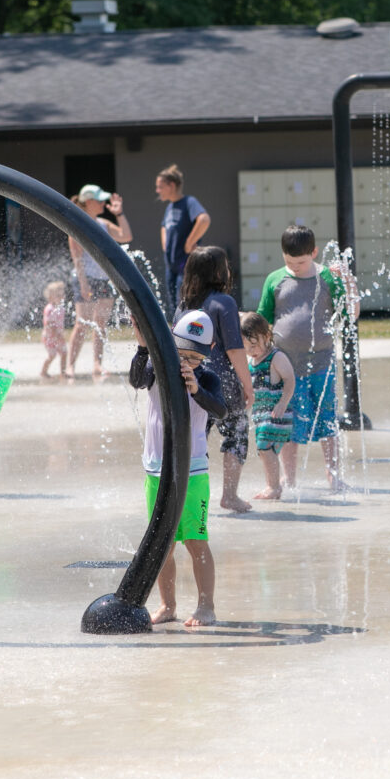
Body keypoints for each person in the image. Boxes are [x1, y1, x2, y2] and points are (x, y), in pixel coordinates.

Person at [129, 308, 227, 627]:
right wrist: (144, 347)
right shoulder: (157, 370)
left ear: (208, 352)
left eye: (194, 358)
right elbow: (136, 379)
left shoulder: (207, 378)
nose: (186, 362)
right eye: (181, 353)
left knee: (196, 540)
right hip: (156, 471)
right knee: (162, 545)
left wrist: (196, 387)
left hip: (193, 472)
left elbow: (221, 409)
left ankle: (206, 606)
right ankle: (167, 605)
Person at [256, 224, 359, 492]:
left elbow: (350, 315)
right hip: (285, 366)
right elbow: (264, 319)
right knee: (289, 425)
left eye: (301, 262)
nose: (296, 267)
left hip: (321, 364)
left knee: (327, 420)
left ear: (314, 253)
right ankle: (288, 479)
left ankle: (333, 476)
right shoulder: (275, 279)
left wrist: (347, 279)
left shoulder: (328, 278)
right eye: (289, 261)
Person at [179, 246, 255, 513]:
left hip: (189, 382)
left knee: (193, 438)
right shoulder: (224, 302)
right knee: (236, 433)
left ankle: (184, 494)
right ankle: (230, 496)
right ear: (221, 272)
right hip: (222, 383)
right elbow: (234, 349)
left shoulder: (183, 306)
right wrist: (247, 383)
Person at [68, 184, 131, 380]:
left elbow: (126, 236)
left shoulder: (103, 224)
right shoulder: (77, 225)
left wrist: (119, 213)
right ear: (88, 202)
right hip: (85, 279)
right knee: (82, 324)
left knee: (100, 323)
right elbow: (77, 258)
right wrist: (84, 283)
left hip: (104, 279)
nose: (103, 203)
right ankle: (70, 366)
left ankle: (97, 364)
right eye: (100, 200)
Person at [240, 311, 296, 501]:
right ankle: (275, 482)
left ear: (266, 336)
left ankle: (273, 487)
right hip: (263, 416)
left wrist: (283, 403)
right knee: (266, 451)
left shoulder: (276, 357)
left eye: (254, 345)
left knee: (265, 447)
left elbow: (290, 380)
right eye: (246, 347)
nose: (251, 351)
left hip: (277, 415)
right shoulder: (253, 360)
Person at [155, 165, 210, 314]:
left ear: (171, 186)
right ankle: (175, 336)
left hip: (186, 265)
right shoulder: (170, 207)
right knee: (174, 308)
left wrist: (190, 242)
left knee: (185, 304)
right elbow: (163, 226)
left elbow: (204, 219)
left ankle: (187, 336)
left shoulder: (189, 202)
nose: (157, 191)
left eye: (160, 187)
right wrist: (165, 245)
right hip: (171, 266)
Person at [40, 280, 70, 381]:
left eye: (62, 295)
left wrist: (61, 333)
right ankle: (43, 372)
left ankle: (63, 373)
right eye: (58, 295)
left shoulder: (61, 308)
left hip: (58, 336)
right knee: (52, 355)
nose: (61, 297)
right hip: (50, 337)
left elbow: (60, 323)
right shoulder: (49, 309)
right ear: (50, 297)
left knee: (64, 353)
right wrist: (57, 336)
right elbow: (49, 324)